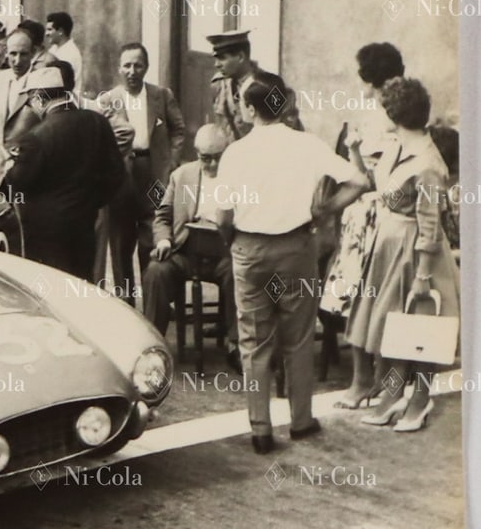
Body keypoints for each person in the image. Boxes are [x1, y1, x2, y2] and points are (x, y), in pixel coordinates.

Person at [216, 71, 369, 454]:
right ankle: (301, 421)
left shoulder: (235, 153)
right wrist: (324, 212)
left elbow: (222, 216)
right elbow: (360, 181)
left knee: (254, 341)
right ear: (282, 105)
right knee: (299, 337)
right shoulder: (307, 145)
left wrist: (233, 241)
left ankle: (261, 428)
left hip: (250, 249)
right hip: (297, 248)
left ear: (249, 110)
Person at [347, 78, 459, 432]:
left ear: (394, 115)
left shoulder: (427, 162)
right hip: (389, 246)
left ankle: (420, 400)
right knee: (392, 327)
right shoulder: (397, 148)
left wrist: (424, 276)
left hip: (416, 253)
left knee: (421, 328)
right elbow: (378, 186)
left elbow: (429, 225)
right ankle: (393, 393)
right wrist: (354, 151)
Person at [323, 42, 405, 410]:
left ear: (370, 79)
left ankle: (363, 382)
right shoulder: (396, 114)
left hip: (370, 214)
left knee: (359, 298)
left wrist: (355, 150)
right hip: (383, 215)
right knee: (379, 299)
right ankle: (378, 382)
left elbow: (369, 178)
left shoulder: (378, 116)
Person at [0, 67, 123, 280]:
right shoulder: (97, 122)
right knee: (81, 286)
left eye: (30, 101)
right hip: (85, 225)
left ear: (38, 98)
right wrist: (91, 202)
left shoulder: (35, 138)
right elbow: (116, 174)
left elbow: (12, 186)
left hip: (45, 236)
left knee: (53, 295)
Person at [142, 124, 240, 369]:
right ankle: (151, 346)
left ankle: (236, 345)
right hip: (186, 251)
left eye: (219, 157)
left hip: (224, 254)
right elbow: (162, 216)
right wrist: (164, 240)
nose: (214, 165)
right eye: (207, 159)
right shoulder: (182, 175)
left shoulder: (240, 176)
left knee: (239, 274)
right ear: (197, 154)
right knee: (156, 271)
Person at [96, 42, 186, 298]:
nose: (132, 71)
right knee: (121, 241)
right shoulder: (108, 100)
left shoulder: (161, 95)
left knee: (153, 234)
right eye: (127, 65)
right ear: (119, 68)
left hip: (154, 173)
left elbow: (178, 129)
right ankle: (126, 301)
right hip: (122, 175)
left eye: (138, 65)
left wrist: (172, 162)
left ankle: (153, 297)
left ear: (146, 67)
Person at [208, 29, 301, 144]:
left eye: (222, 58)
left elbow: (287, 133)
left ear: (241, 57)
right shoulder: (218, 85)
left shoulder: (270, 88)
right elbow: (222, 129)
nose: (216, 64)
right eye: (216, 58)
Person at [0, 28, 41, 187]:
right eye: (13, 54)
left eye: (23, 54)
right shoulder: (0, 79)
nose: (17, 61)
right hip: (0, 166)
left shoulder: (41, 81)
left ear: (33, 53)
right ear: (5, 52)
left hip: (29, 166)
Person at [45, 12, 83, 93]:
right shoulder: (54, 49)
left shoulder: (70, 53)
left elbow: (59, 83)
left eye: (49, 30)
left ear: (60, 31)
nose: (46, 34)